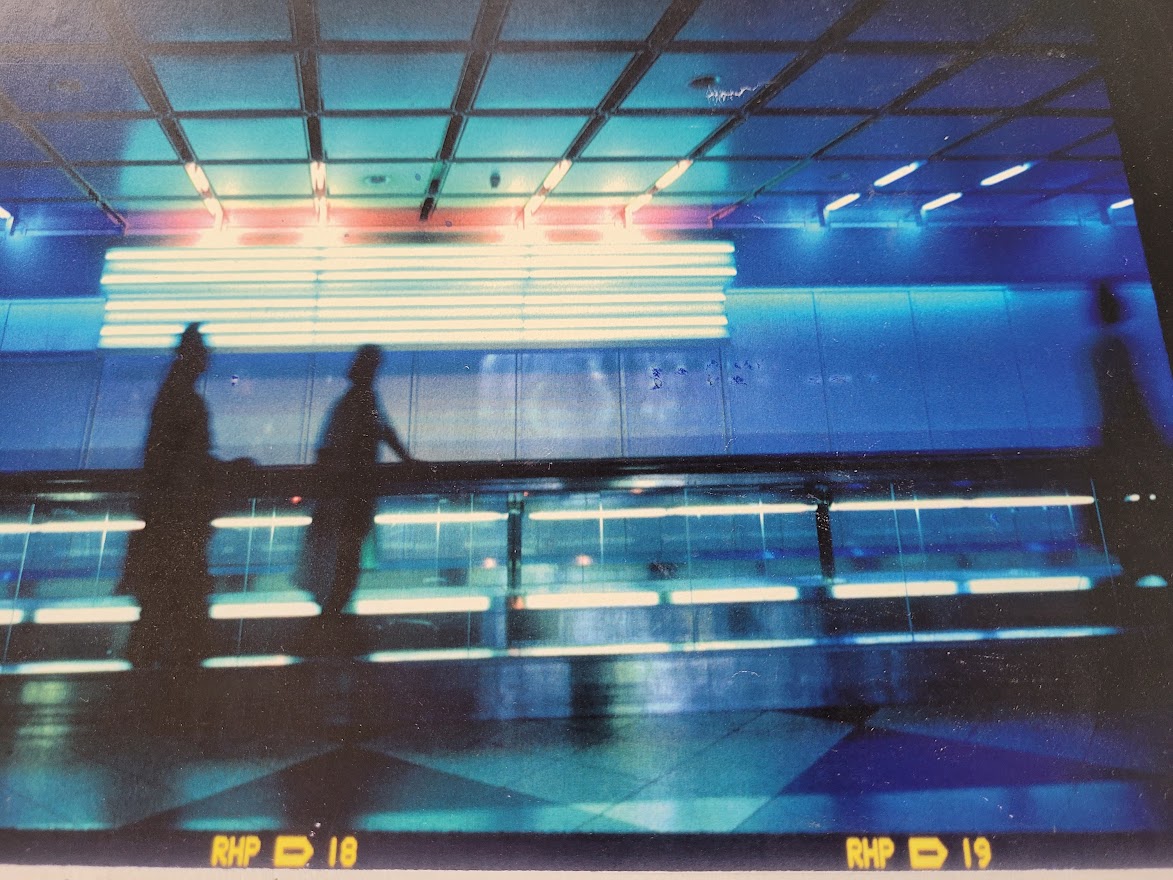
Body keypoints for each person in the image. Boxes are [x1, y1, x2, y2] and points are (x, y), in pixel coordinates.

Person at [119, 323, 230, 670]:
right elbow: (191, 462)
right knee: (183, 601)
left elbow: (171, 460)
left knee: (160, 604)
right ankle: (179, 684)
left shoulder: (168, 397)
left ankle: (150, 686)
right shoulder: (187, 402)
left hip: (166, 518)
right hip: (182, 519)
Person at [298, 346, 415, 655]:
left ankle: (329, 623)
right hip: (355, 495)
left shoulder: (351, 401)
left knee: (341, 558)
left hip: (344, 494)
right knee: (347, 559)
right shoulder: (362, 400)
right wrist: (408, 461)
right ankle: (333, 624)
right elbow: (383, 432)